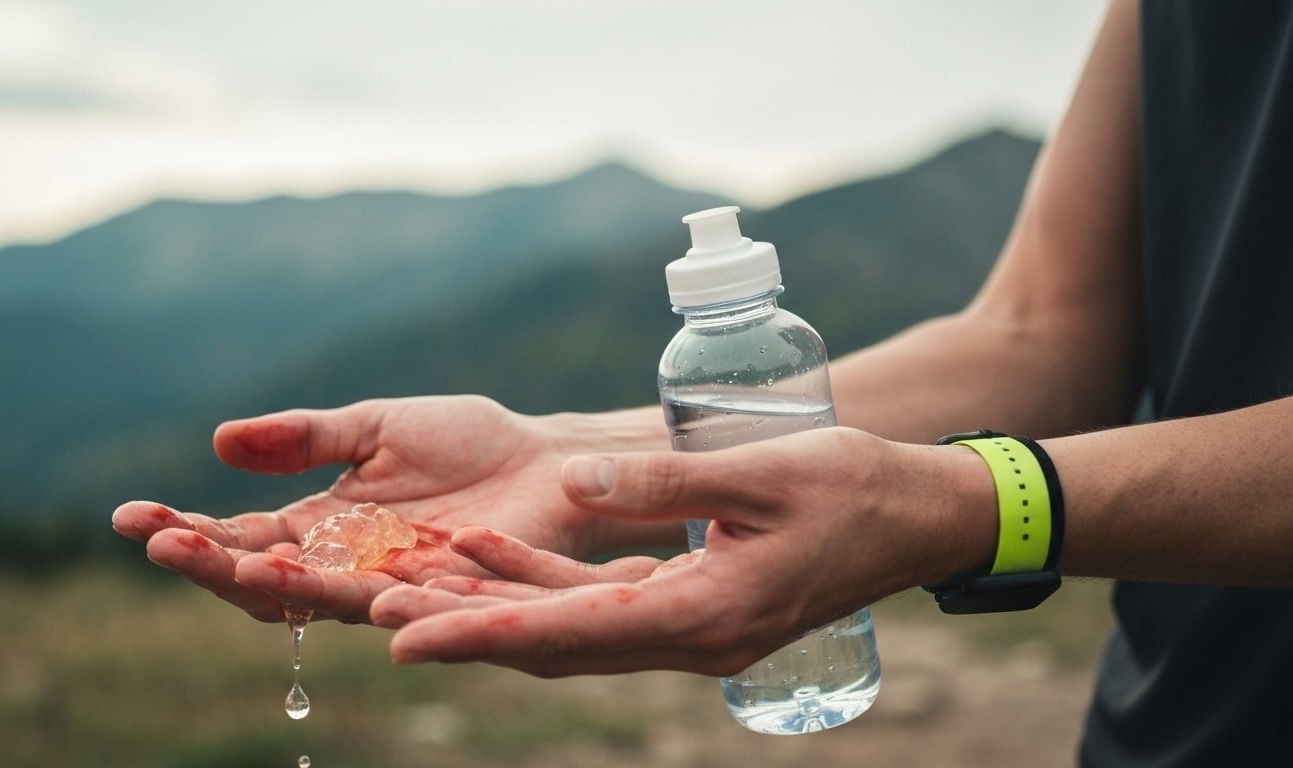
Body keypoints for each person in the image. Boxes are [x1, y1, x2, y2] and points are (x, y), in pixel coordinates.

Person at [113, 0, 1293, 763]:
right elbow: (1040, 335)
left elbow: (968, 453)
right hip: (1170, 722)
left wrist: (953, 510)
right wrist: (562, 458)